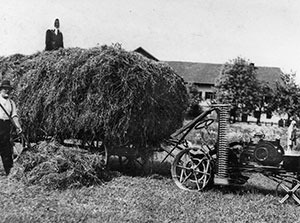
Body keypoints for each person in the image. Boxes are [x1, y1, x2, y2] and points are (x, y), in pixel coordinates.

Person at [0, 80, 22, 175]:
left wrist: (18, 127)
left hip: (6, 126)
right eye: (5, 89)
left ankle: (9, 172)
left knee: (6, 149)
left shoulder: (12, 103)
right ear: (1, 89)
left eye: (8, 89)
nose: (7, 91)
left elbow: (14, 116)